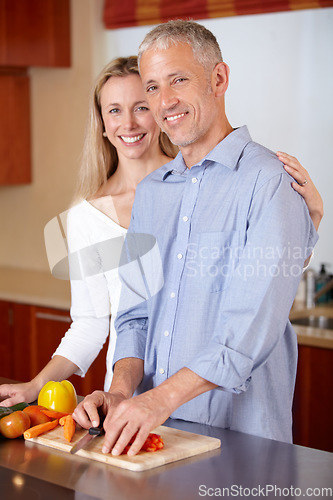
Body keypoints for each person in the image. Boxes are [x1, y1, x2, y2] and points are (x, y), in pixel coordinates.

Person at [0, 55, 322, 408]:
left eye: (141, 106)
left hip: (221, 396)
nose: (129, 123)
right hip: (130, 396)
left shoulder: (215, 183)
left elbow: (258, 286)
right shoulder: (85, 217)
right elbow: (91, 324)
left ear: (161, 111)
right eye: (114, 111)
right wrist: (36, 385)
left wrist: (309, 223)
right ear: (102, 124)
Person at [72, 20, 322, 457]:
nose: (164, 101)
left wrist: (158, 400)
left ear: (219, 79)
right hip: (155, 441)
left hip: (241, 444)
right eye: (152, 87)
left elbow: (249, 331)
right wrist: (122, 391)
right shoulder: (153, 193)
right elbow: (134, 316)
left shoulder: (270, 183)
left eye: (178, 80)